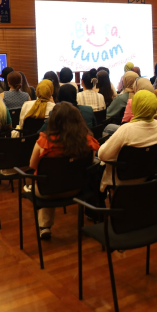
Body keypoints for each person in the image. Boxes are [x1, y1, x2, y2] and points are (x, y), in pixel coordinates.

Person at [28, 102, 99, 239]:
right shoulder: (87, 140)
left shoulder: (44, 141)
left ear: (53, 120)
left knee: (46, 180)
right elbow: (89, 163)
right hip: (76, 187)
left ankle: (45, 227)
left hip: (47, 192)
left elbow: (32, 165)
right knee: (52, 179)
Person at [97, 90, 157, 191]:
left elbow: (102, 155)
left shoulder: (127, 129)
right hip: (147, 176)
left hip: (121, 181)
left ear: (135, 106)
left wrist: (107, 142)